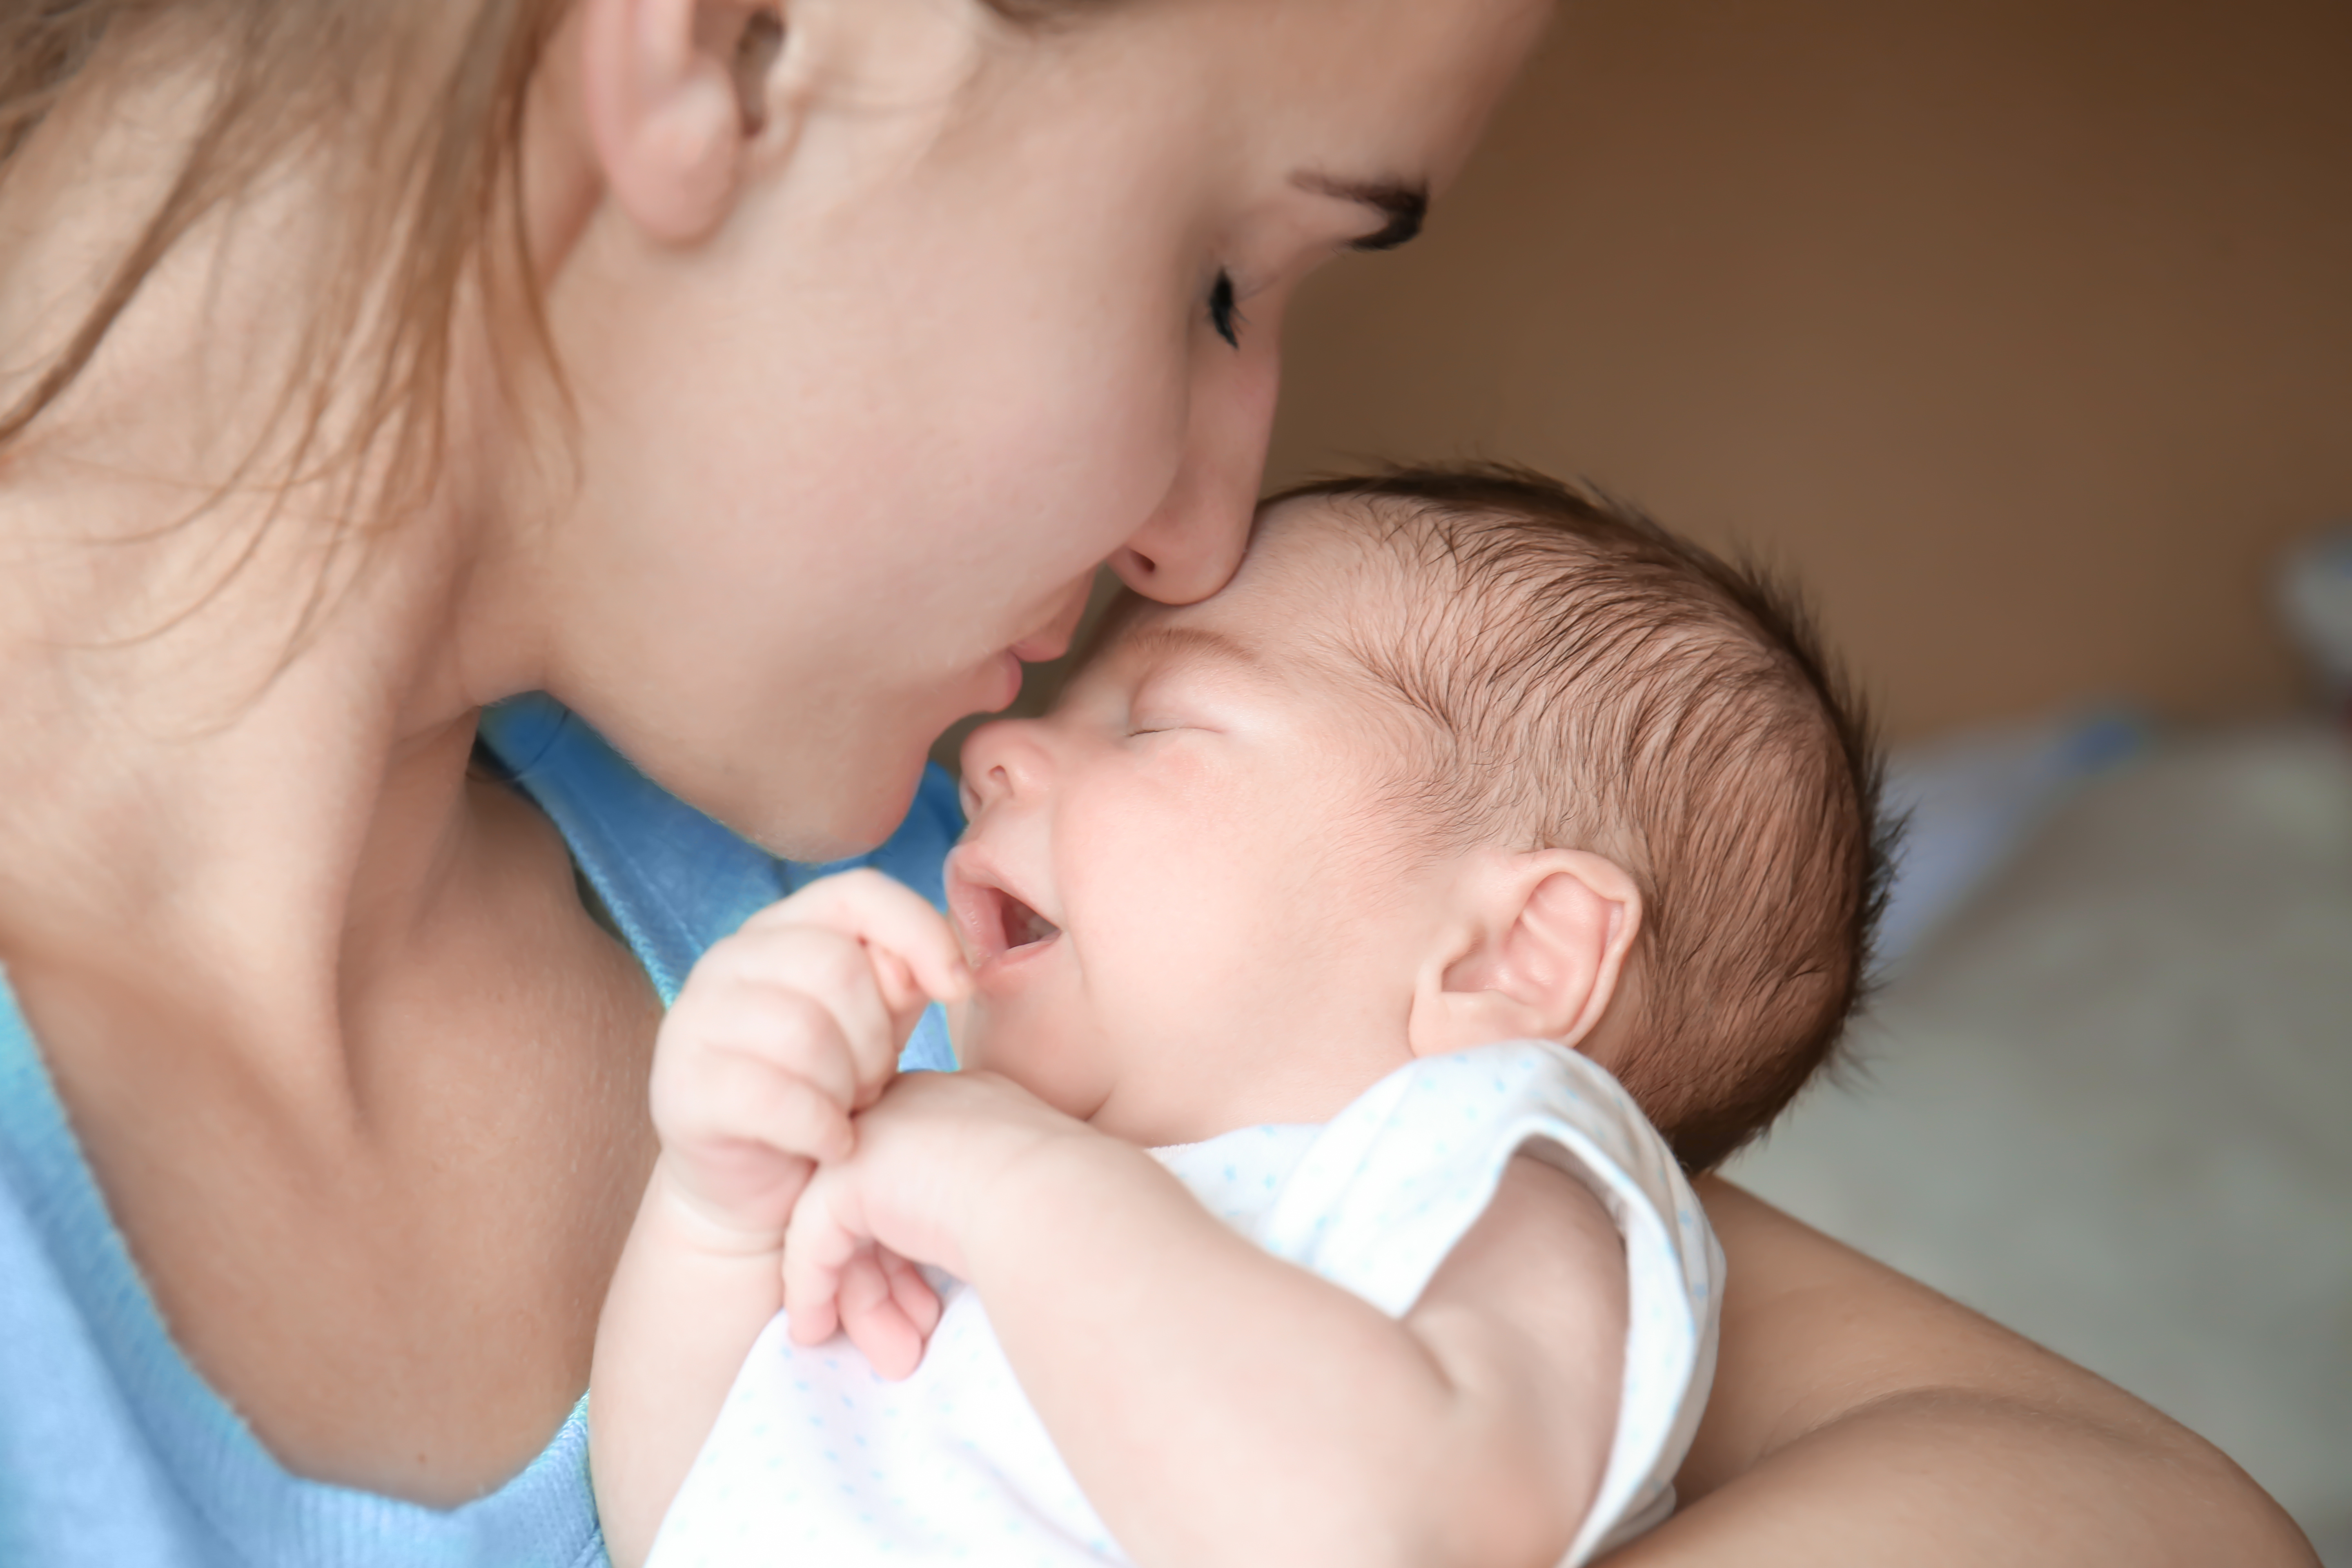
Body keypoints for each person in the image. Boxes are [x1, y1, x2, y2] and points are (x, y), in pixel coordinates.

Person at [0, 1, 2310, 1565]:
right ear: (732, 38)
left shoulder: (981, 929)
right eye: (1224, 278)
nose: (1199, 542)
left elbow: (2129, 1506)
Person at [591, 468, 1884, 1567]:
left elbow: (1382, 1533)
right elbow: (689, 1519)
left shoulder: (1490, 1177)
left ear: (1508, 956)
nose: (996, 747)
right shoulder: (958, 1159)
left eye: (1154, 722)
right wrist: (720, 1213)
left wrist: (1014, 1187)